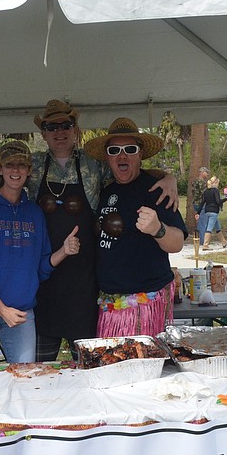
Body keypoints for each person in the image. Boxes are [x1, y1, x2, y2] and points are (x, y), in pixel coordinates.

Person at [28, 99, 179, 362]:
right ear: (44, 133)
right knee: (41, 371)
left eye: (67, 124)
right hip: (46, 282)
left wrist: (169, 179)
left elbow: (135, 172)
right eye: (52, 126)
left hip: (88, 288)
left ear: (76, 129)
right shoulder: (30, 166)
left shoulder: (94, 165)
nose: (60, 131)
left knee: (100, 369)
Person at [0, 141, 80, 364]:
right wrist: (0, 308)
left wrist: (64, 251)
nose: (15, 170)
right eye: (9, 165)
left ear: (29, 171)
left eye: (21, 165)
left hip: (22, 314)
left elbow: (40, 267)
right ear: (0, 169)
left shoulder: (35, 213)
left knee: (26, 380)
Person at [84, 117, 187, 338]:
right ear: (107, 157)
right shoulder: (103, 191)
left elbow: (177, 242)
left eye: (129, 149)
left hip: (144, 303)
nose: (122, 155)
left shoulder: (156, 190)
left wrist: (157, 229)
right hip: (108, 304)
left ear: (139, 154)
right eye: (114, 150)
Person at [199, 175, 227, 250]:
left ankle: (223, 242)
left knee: (217, 227)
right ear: (215, 183)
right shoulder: (215, 190)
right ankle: (205, 245)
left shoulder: (206, 191)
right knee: (209, 228)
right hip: (214, 211)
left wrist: (198, 212)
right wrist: (226, 199)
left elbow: (202, 202)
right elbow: (218, 201)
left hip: (207, 211)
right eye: (218, 183)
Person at [191, 166, 210, 242]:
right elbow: (204, 194)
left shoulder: (195, 181)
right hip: (201, 204)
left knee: (199, 221)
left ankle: (198, 239)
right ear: (202, 173)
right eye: (206, 173)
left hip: (195, 203)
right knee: (202, 222)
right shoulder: (201, 182)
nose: (207, 174)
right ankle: (202, 241)